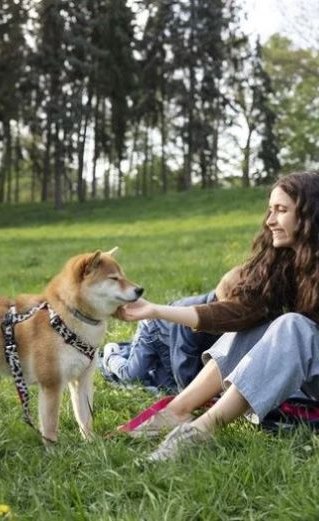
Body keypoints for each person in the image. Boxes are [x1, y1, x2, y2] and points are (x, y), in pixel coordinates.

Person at [114, 171, 319, 462]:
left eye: (281, 210)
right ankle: (177, 410)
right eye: (270, 210)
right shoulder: (288, 263)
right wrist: (156, 310)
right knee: (257, 324)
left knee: (293, 326)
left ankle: (201, 430)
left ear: (310, 215)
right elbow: (239, 313)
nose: (270, 220)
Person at [102, 269, 239, 392]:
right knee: (133, 376)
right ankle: (112, 355)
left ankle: (130, 350)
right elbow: (182, 360)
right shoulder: (191, 315)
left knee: (166, 384)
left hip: (170, 342)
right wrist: (191, 392)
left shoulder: (229, 316)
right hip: (153, 330)